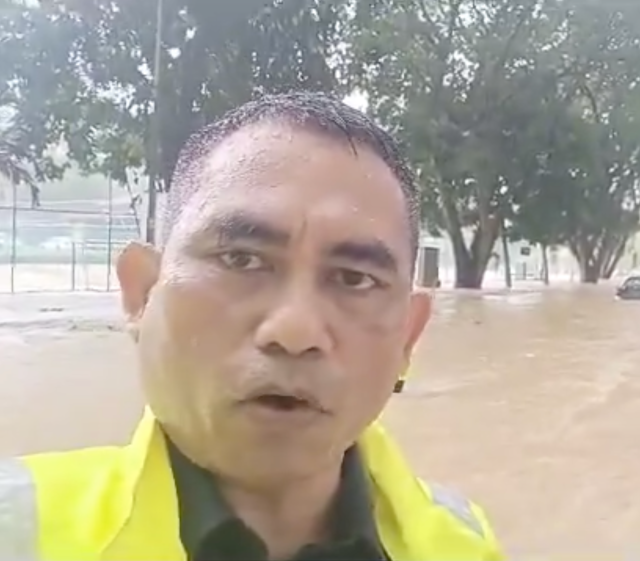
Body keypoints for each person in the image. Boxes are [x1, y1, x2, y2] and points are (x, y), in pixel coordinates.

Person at [0, 92, 503, 560]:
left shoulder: (464, 544)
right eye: (240, 260)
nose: (295, 330)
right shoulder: (19, 529)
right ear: (143, 294)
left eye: (353, 279)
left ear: (408, 336)